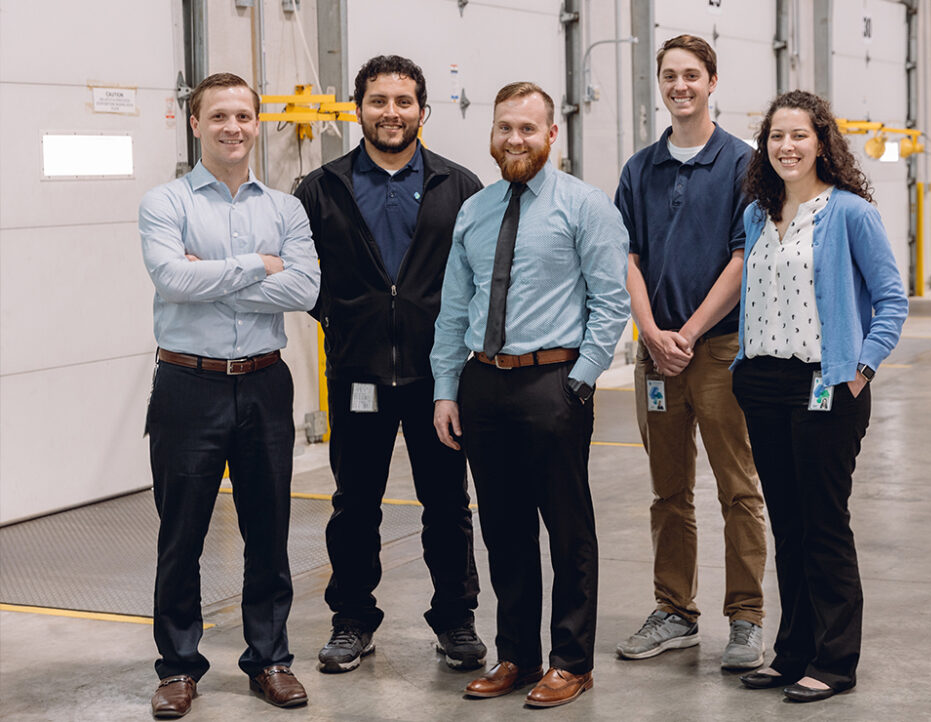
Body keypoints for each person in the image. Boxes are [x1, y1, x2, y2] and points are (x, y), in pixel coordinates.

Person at [431, 82, 629, 708]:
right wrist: (447, 387)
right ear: (491, 134)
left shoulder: (585, 205)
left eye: (526, 128)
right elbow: (452, 309)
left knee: (567, 528)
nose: (513, 138)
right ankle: (517, 654)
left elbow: (611, 300)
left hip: (554, 381)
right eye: (503, 128)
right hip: (484, 381)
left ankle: (572, 661)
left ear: (551, 135)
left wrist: (581, 378)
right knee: (504, 528)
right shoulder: (476, 210)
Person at [293, 55, 485, 674]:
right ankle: (351, 621)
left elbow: (480, 278)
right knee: (355, 505)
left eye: (403, 101)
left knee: (448, 505)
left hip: (439, 380)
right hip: (357, 377)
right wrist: (344, 319)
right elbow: (303, 274)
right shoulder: (322, 189)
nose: (391, 113)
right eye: (378, 101)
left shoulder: (460, 187)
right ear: (359, 109)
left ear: (422, 111)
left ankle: (456, 621)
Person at [140, 72, 320, 718]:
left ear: (257, 122)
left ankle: (270, 659)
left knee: (268, 529)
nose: (233, 127)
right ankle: (179, 668)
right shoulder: (165, 204)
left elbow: (304, 290)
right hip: (188, 384)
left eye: (243, 115)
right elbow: (169, 276)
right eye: (218, 116)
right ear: (196, 124)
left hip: (266, 384)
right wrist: (258, 267)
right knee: (181, 533)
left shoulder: (285, 210)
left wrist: (209, 275)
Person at [730, 90, 908, 702]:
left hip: (826, 384)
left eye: (799, 135)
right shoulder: (757, 213)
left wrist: (860, 367)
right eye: (776, 136)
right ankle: (792, 652)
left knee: (824, 524)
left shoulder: (850, 212)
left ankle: (835, 660)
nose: (787, 146)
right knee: (787, 523)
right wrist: (741, 366)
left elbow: (892, 299)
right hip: (763, 384)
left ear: (822, 142)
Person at [613, 34, 767, 669]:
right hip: (657, 352)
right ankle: (674, 610)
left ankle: (746, 618)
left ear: (712, 82)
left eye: (691, 75)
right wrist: (649, 332)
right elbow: (625, 255)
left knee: (738, 487)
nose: (680, 85)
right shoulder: (639, 168)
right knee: (667, 489)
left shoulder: (742, 163)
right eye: (669, 75)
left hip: (722, 350)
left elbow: (743, 255)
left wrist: (690, 333)